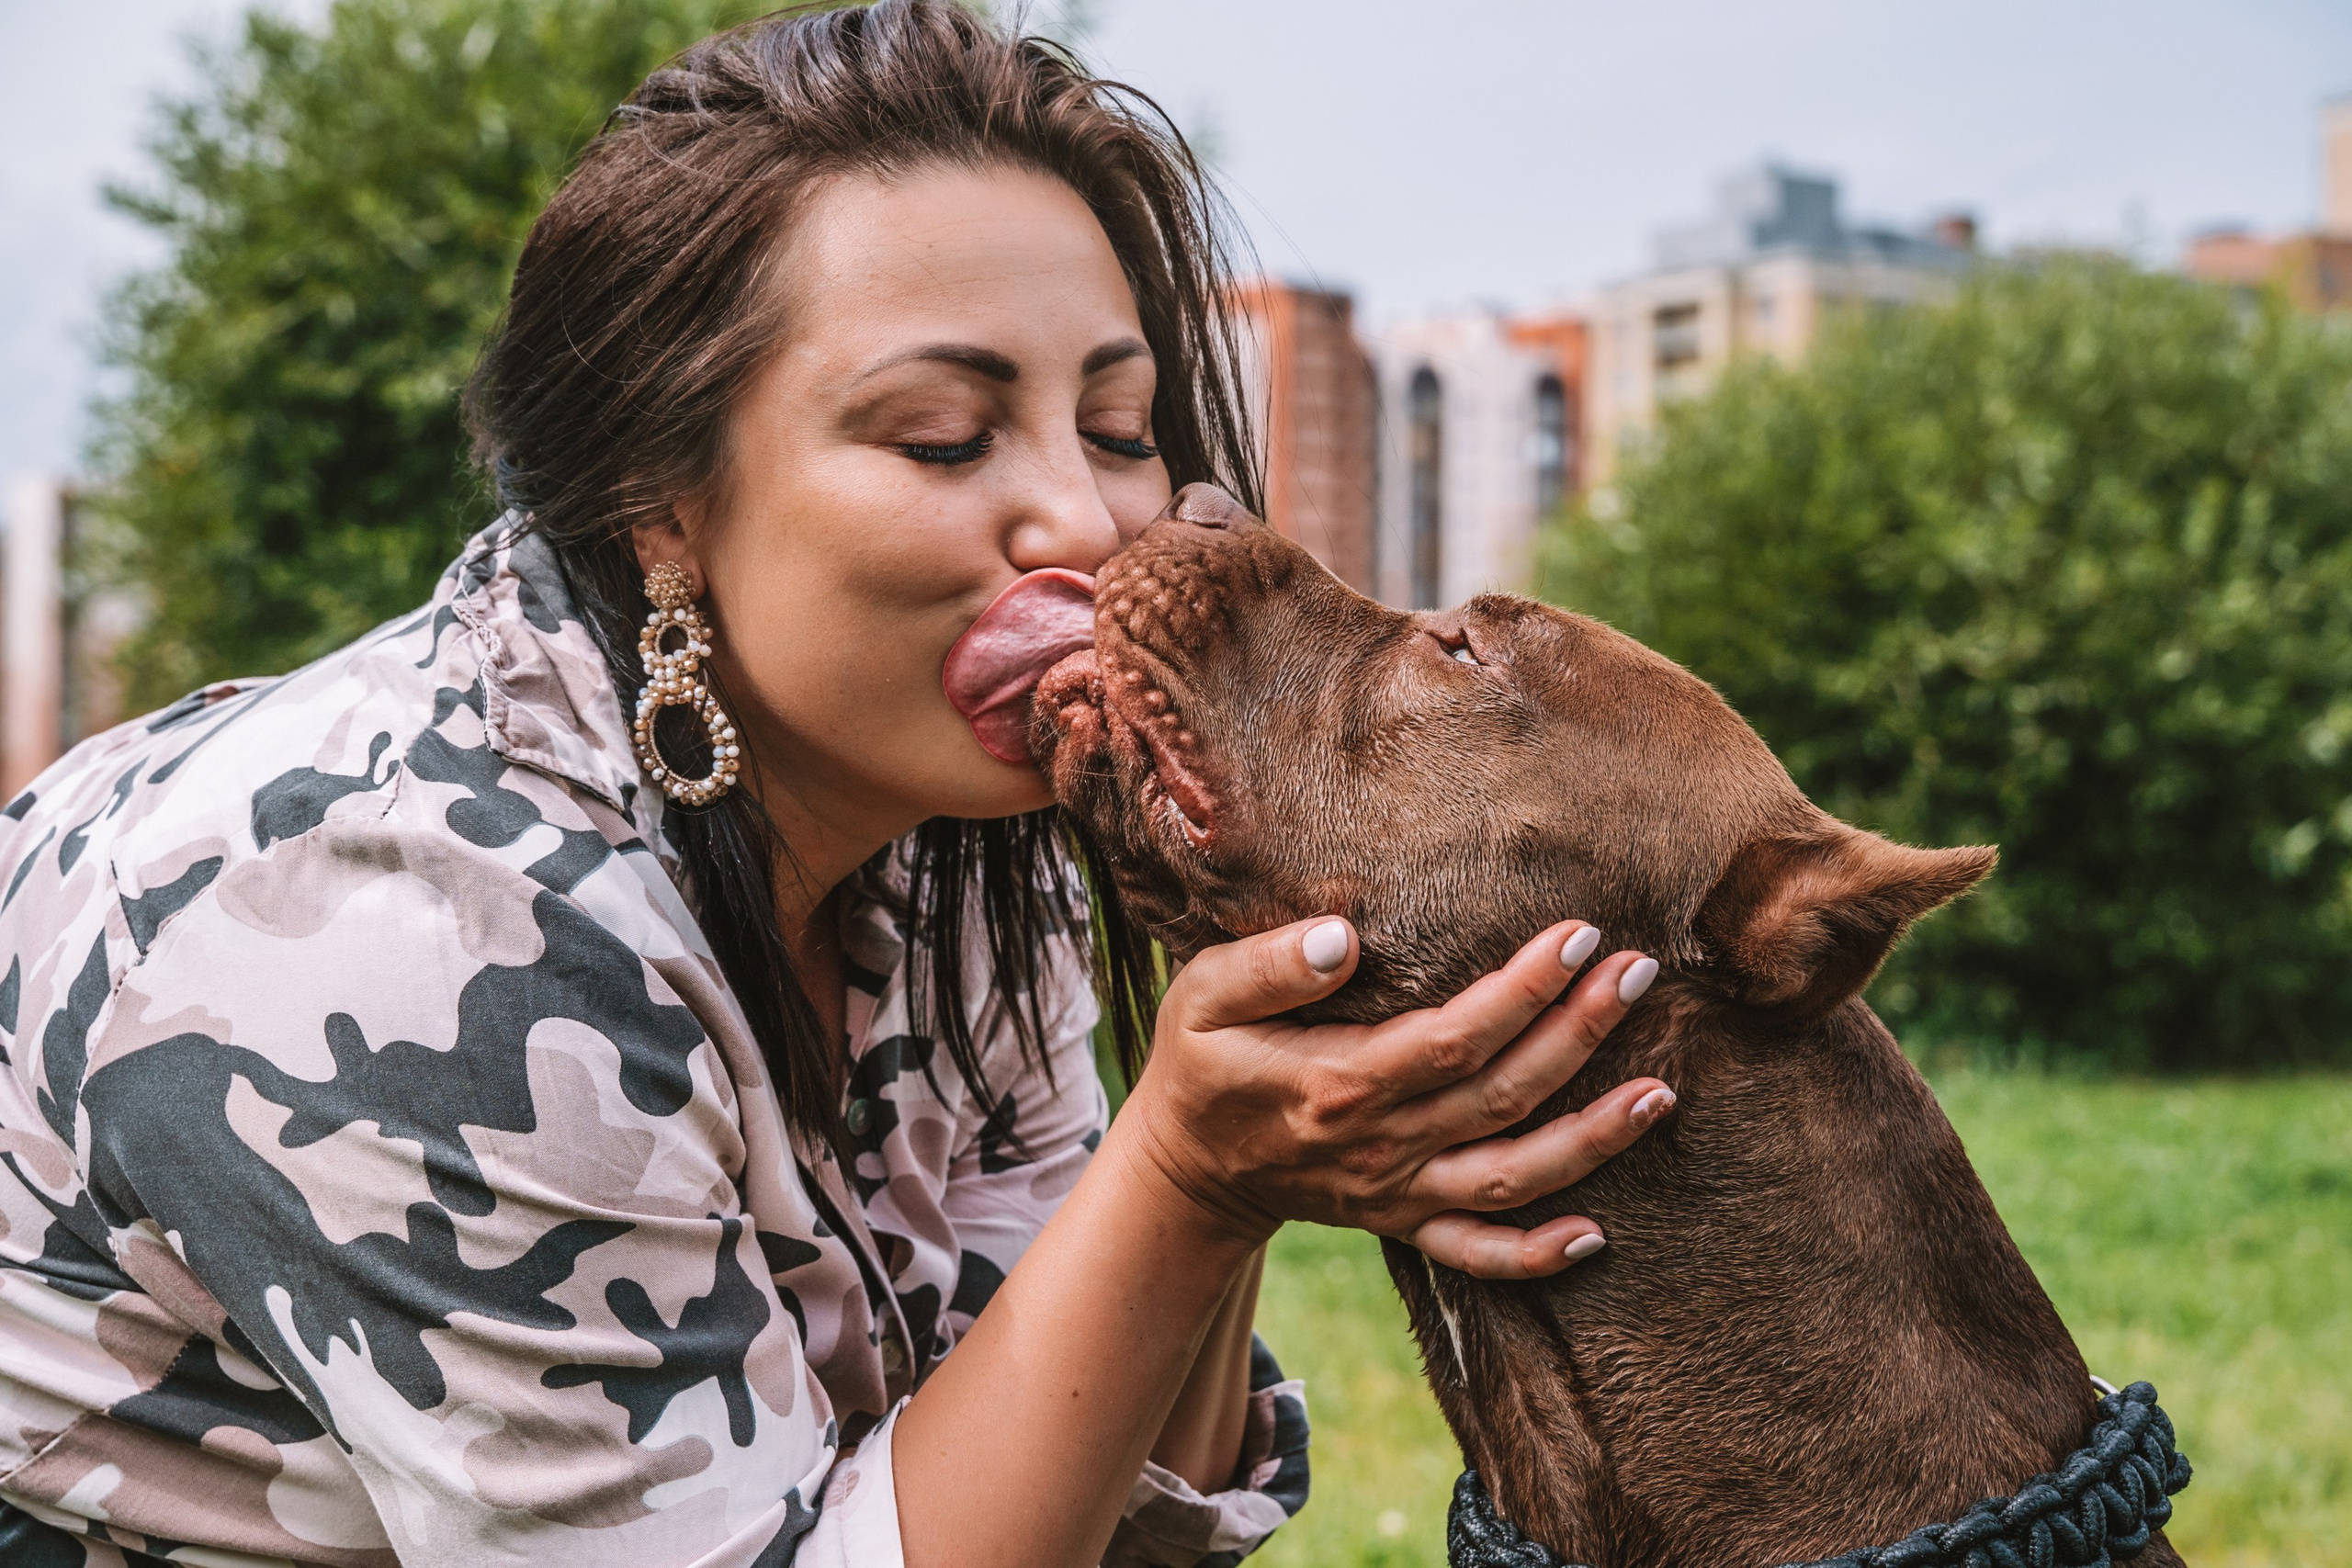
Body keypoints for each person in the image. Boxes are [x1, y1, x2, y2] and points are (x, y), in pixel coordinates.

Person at [0, 5, 1674, 1565]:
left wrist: (1216, 1175)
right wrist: (1190, 1177)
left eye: (1118, 424)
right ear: (659, 504)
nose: (1087, 528)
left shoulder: (960, 843)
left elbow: (1050, 1500)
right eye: (945, 436)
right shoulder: (406, 933)